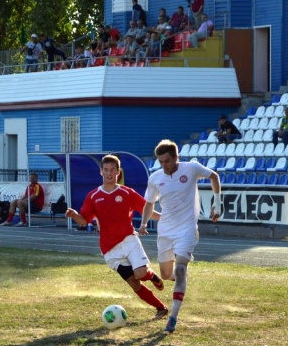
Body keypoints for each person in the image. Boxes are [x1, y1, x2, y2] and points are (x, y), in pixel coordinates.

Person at [65, 155, 169, 321]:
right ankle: (161, 308)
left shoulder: (126, 193)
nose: (109, 173)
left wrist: (166, 217)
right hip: (109, 249)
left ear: (118, 172)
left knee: (141, 274)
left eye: (112, 170)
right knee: (134, 283)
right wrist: (74, 215)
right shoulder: (93, 196)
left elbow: (146, 210)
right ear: (101, 172)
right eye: (105, 169)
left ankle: (152, 276)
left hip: (129, 239)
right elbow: (84, 220)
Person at [138, 139, 221, 333]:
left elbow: (214, 176)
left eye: (167, 161)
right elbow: (149, 203)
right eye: (160, 162)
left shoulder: (191, 168)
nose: (164, 165)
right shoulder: (156, 177)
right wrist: (143, 223)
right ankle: (179, 280)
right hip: (166, 230)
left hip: (187, 229)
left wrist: (217, 203)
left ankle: (173, 317)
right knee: (167, 274)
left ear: (176, 158)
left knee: (181, 269)